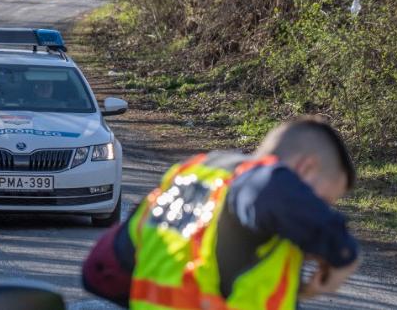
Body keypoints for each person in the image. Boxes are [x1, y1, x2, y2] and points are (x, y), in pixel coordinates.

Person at [82, 117, 360, 310]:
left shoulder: (187, 176)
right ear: (305, 168)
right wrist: (344, 256)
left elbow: (99, 271)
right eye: (322, 200)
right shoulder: (258, 182)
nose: (321, 210)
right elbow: (268, 188)